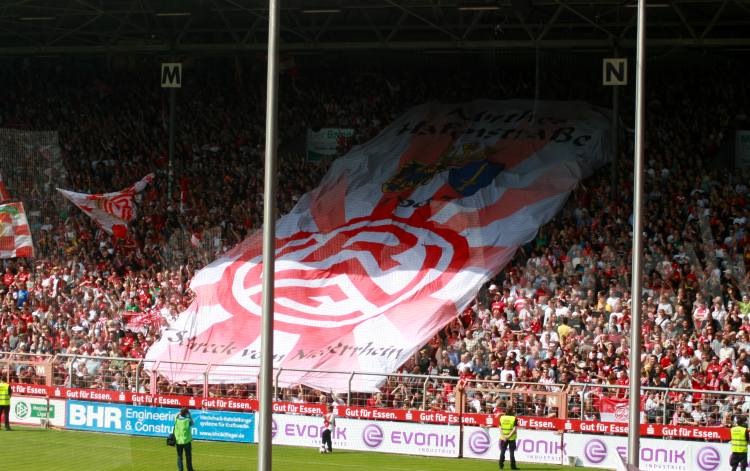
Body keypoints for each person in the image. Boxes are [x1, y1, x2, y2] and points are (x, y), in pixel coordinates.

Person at [499, 403, 518, 470]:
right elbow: (514, 429)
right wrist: (509, 436)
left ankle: (501, 465)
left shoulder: (502, 417)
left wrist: (504, 436)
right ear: (512, 410)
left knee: (502, 451)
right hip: (511, 438)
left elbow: (500, 427)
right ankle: (513, 466)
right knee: (511, 452)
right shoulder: (514, 418)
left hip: (503, 437)